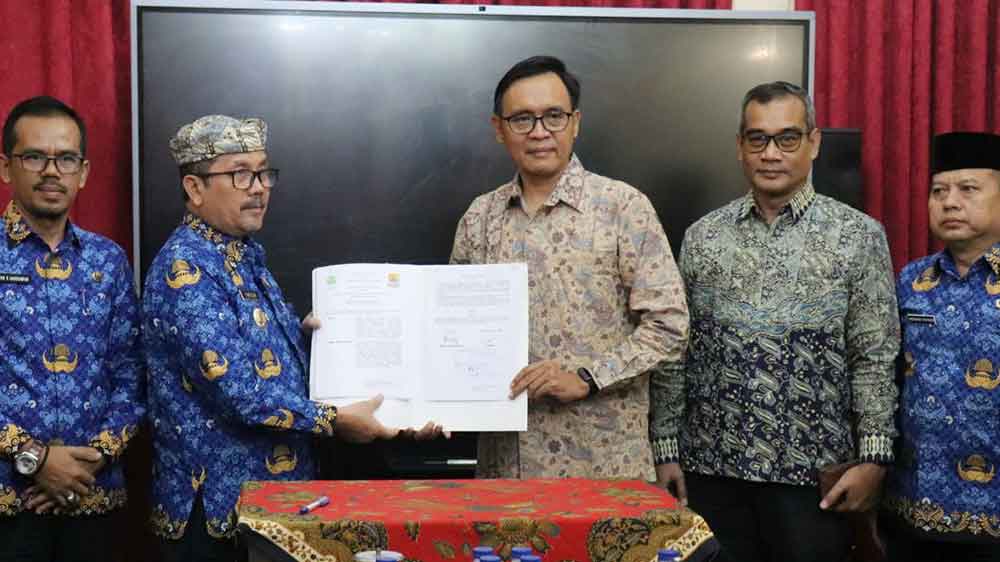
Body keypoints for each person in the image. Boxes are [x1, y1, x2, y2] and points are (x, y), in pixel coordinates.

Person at [143, 115, 435, 561]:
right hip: (219, 514)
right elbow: (239, 393)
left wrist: (312, 343)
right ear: (195, 188)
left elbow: (258, 360)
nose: (259, 187)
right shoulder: (186, 268)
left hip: (276, 502)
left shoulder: (243, 254)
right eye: (240, 174)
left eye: (264, 172)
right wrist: (334, 419)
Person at [649, 81, 899, 562]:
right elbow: (675, 352)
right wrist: (665, 449)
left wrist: (874, 459)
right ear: (739, 146)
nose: (770, 153)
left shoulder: (858, 237)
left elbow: (874, 355)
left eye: (787, 138)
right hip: (712, 472)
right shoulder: (703, 237)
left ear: (814, 142)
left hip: (814, 479)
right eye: (757, 138)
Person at [450, 55, 689, 480]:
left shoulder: (624, 208)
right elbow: (451, 330)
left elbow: (669, 327)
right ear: (499, 129)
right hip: (504, 471)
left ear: (575, 122)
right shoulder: (479, 219)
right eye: (522, 119)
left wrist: (587, 377)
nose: (539, 131)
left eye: (554, 116)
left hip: (604, 468)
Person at [0, 95, 144, 561]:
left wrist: (90, 461)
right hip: (8, 506)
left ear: (83, 173)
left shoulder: (109, 261)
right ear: (6, 168)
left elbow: (131, 374)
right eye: (34, 157)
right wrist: (35, 460)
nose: (51, 171)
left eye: (65, 159)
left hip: (94, 499)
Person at [883, 131, 1000, 562]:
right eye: (938, 191)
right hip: (911, 511)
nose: (950, 202)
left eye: (968, 189)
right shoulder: (911, 281)